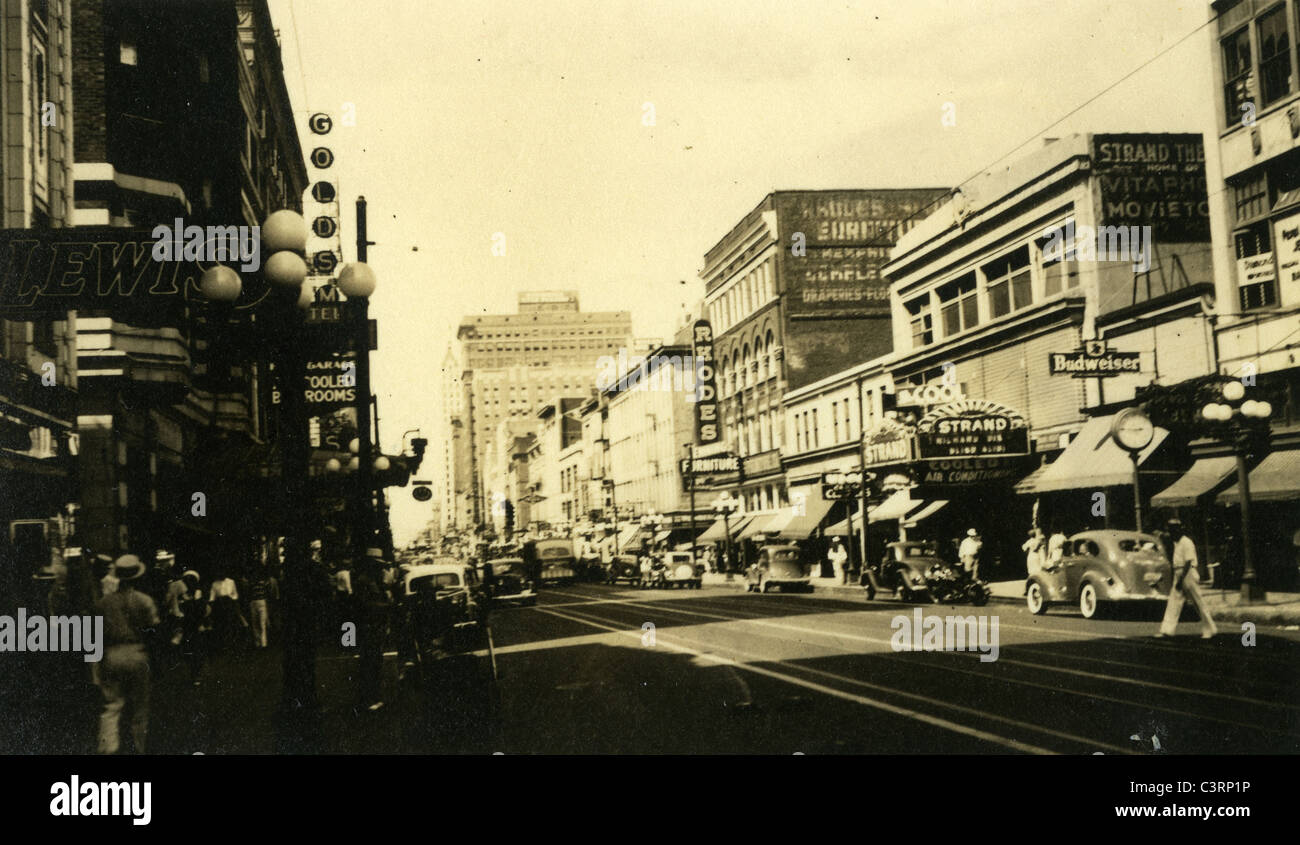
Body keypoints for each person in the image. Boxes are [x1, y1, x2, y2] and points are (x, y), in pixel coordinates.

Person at [95, 554, 160, 754]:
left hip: (112, 654)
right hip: (138, 654)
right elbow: (154, 632)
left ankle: (108, 748)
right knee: (140, 708)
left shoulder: (104, 603)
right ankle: (138, 747)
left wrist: (95, 665)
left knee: (112, 706)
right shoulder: (145, 601)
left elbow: (95, 634)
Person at [1157, 519, 1217, 639]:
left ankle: (1210, 629)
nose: (1171, 533)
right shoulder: (1176, 543)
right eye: (1170, 530)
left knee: (1198, 602)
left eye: (1173, 530)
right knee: (1173, 603)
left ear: (1179, 529)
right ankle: (1167, 630)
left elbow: (1188, 562)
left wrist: (1180, 580)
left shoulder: (1187, 542)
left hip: (1187, 573)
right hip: (1179, 572)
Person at [354, 549, 392, 711]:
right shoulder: (365, 581)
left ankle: (371, 697)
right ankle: (371, 698)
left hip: (374, 629)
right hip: (368, 628)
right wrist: (387, 605)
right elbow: (366, 606)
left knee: (373, 662)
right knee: (371, 663)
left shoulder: (374, 581)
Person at [247, 568, 274, 648]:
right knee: (262, 624)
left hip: (253, 602)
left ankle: (258, 643)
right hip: (261, 602)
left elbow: (248, 593)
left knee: (255, 623)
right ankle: (263, 643)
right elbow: (268, 592)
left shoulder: (251, 583)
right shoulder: (263, 583)